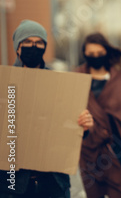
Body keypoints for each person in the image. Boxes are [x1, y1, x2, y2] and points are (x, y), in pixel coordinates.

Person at [0, 19, 93, 198]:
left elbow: (71, 127)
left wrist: (84, 125)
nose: (33, 46)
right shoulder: (4, 83)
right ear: (17, 47)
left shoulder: (60, 83)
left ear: (45, 47)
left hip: (53, 183)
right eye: (27, 42)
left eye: (38, 42)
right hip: (12, 184)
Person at [75, 32, 121, 198]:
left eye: (99, 54)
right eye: (90, 54)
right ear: (84, 54)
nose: (95, 57)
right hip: (88, 152)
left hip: (116, 153)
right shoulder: (76, 78)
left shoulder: (117, 78)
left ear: (106, 52)